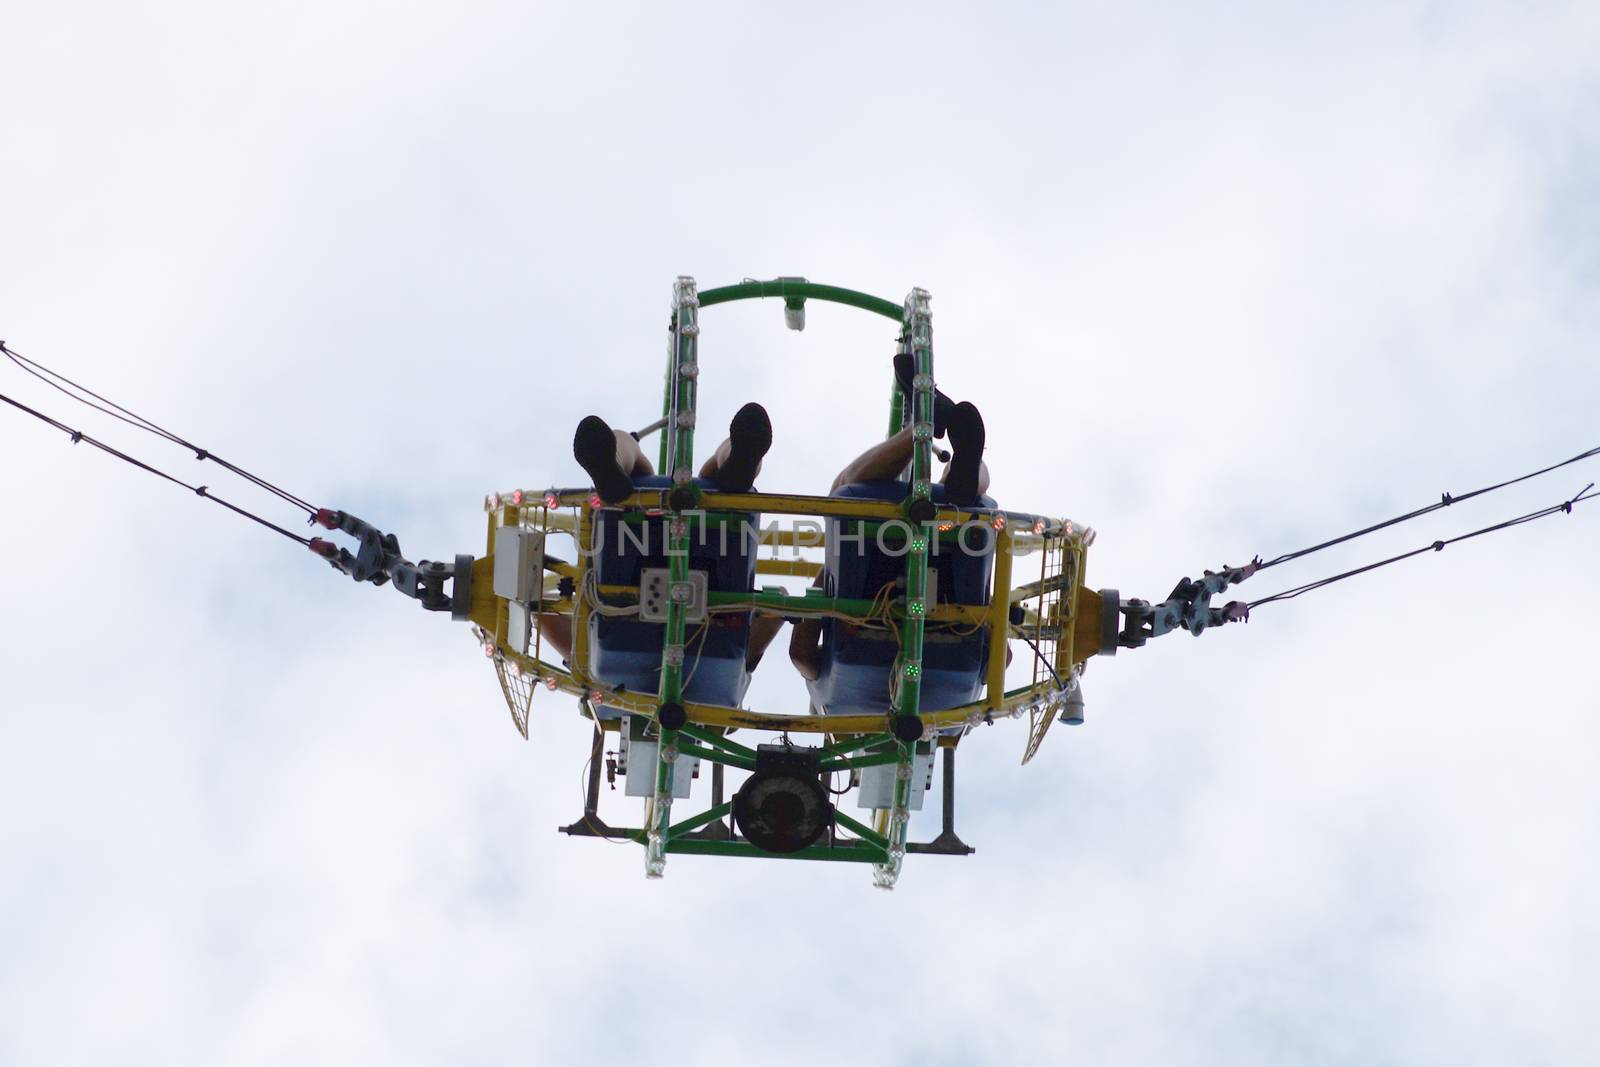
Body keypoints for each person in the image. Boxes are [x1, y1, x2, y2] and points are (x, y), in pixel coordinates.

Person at [538, 402, 787, 671]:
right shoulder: (594, 671)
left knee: (707, 485)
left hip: (687, 599)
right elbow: (542, 615)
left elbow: (774, 616)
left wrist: (775, 611)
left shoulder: (726, 674)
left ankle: (736, 465)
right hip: (640, 559)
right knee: (669, 478)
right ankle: (619, 466)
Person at [789, 360, 990, 681]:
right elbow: (799, 655)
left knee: (970, 513)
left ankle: (957, 464)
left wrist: (826, 574)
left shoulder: (837, 705)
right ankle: (949, 457)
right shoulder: (836, 701)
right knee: (845, 493)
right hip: (923, 600)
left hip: (887, 613)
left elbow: (999, 661)